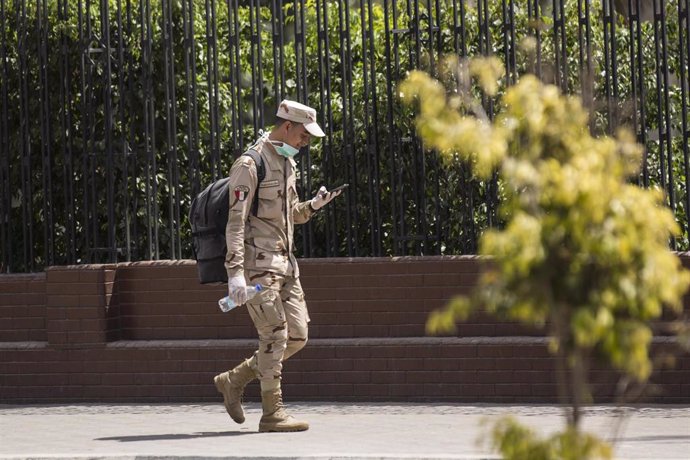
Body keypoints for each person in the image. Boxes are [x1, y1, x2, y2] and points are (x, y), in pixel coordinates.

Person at [213, 99, 344, 432]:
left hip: (287, 266)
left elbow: (290, 216)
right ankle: (273, 413)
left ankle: (234, 379)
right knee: (274, 335)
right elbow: (236, 223)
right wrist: (235, 276)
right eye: (303, 135)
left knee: (297, 336)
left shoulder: (287, 164)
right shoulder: (249, 164)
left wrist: (313, 206)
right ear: (287, 127)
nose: (306, 143)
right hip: (257, 269)